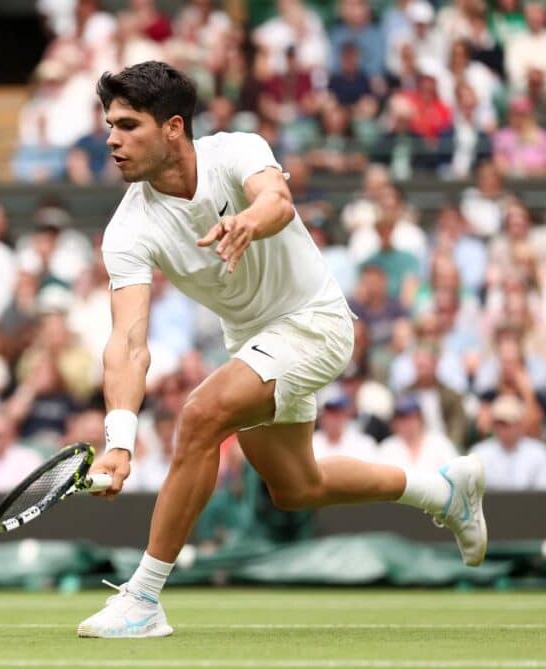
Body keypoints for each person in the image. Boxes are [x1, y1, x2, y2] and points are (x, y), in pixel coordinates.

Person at [77, 61, 487, 639]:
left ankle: (143, 598)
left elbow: (277, 201)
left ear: (173, 128)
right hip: (253, 340)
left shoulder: (236, 150)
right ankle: (443, 491)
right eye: (110, 126)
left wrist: (247, 221)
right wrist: (119, 439)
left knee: (200, 418)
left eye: (128, 125)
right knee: (297, 487)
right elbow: (126, 341)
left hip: (315, 322)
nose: (113, 139)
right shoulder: (128, 229)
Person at [468, 394, 546, 491]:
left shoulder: (539, 453)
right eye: (498, 423)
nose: (502, 429)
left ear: (520, 424)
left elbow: (541, 495)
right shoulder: (479, 453)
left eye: (507, 423)